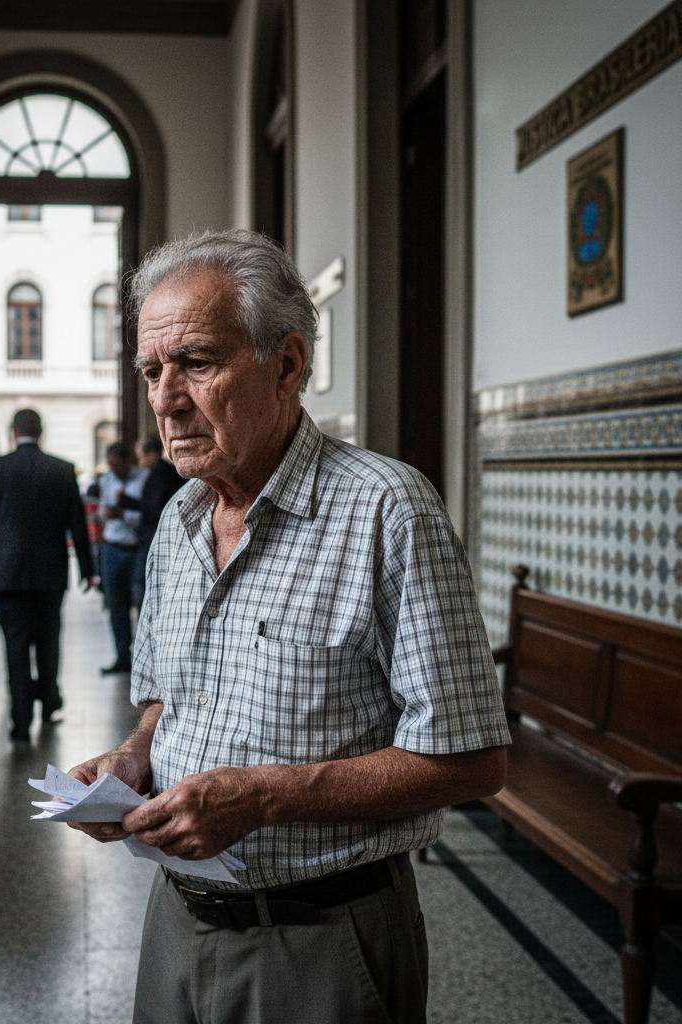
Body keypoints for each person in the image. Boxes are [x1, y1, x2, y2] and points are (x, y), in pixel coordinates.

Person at [67, 230, 511, 1024]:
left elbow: (473, 760)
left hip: (322, 939)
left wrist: (266, 798)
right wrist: (134, 758)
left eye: (197, 362)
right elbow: (169, 695)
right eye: (151, 371)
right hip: (175, 920)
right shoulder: (179, 517)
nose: (166, 398)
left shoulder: (386, 509)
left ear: (290, 363)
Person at [0, 408, 97, 742]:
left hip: (7, 571)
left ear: (13, 432)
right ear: (41, 432)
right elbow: (77, 523)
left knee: (15, 644)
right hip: (50, 571)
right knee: (48, 638)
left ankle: (20, 719)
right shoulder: (61, 469)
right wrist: (88, 569)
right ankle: (48, 703)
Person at [97, 441, 147, 674]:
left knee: (141, 602)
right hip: (112, 548)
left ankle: (144, 656)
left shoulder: (144, 479)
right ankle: (121, 656)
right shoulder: (107, 479)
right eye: (111, 466)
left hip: (136, 547)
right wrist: (107, 514)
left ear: (129, 461)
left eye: (118, 465)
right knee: (115, 604)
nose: (115, 470)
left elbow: (148, 515)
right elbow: (100, 510)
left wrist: (123, 514)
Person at [124, 434, 184, 608]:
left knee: (144, 582)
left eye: (140, 456)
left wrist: (128, 504)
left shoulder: (161, 474)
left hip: (154, 536)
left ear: (150, 454)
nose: (139, 461)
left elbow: (153, 508)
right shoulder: (161, 473)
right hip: (154, 535)